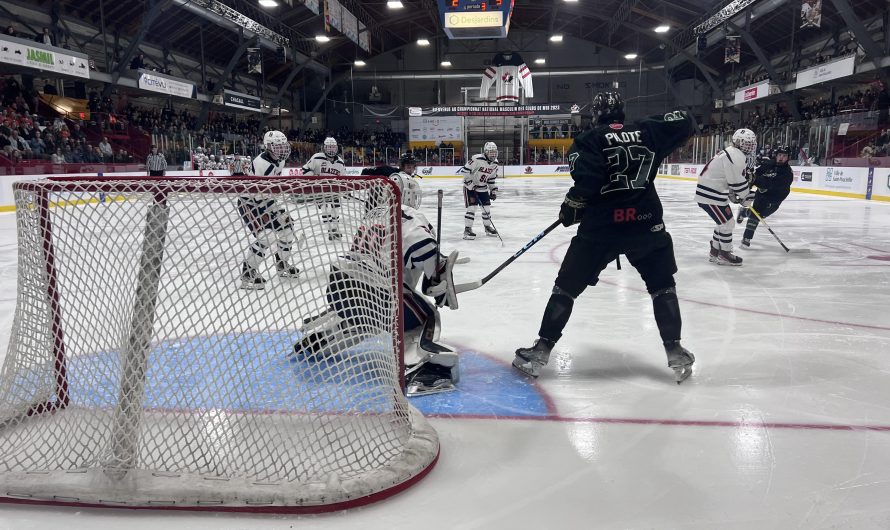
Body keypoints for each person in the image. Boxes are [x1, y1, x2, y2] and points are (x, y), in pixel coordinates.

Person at [513, 91, 697, 383]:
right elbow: (686, 120)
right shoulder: (648, 130)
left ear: (596, 113)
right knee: (662, 287)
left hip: (602, 227)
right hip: (646, 223)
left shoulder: (588, 140)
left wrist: (572, 206)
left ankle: (541, 351)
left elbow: (588, 181)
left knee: (565, 289)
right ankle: (675, 350)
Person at [294, 201, 462, 396]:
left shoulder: (377, 213)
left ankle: (322, 341)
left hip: (340, 281)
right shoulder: (412, 217)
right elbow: (422, 247)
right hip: (375, 289)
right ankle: (422, 370)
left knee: (371, 318)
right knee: (426, 318)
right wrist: (439, 279)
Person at [238, 130, 300, 289]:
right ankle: (248, 273)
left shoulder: (280, 161)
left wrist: (277, 210)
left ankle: (282, 264)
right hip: (250, 203)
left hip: (266, 200)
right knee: (266, 236)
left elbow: (270, 191)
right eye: (277, 146)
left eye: (282, 145)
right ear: (268, 146)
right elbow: (262, 192)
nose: (281, 149)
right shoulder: (261, 164)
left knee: (288, 229)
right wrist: (273, 212)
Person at [695, 128, 755, 266]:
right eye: (746, 143)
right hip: (710, 196)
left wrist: (733, 194)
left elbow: (729, 178)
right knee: (727, 224)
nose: (749, 146)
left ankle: (715, 251)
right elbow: (736, 181)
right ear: (737, 142)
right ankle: (725, 254)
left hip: (715, 194)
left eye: (751, 143)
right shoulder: (736, 155)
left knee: (723, 223)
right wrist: (746, 196)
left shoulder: (733, 152)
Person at [739, 146, 793, 248]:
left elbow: (769, 184)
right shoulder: (768, 164)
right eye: (780, 155)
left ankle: (744, 212)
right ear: (776, 156)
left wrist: (755, 179)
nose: (781, 158)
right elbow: (755, 175)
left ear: (788, 158)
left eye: (784, 156)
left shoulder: (787, 173)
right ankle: (746, 239)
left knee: (760, 216)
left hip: (774, 200)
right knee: (756, 216)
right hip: (762, 195)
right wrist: (748, 187)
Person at [301, 137, 346, 240]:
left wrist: (344, 188)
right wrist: (313, 178)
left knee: (336, 210)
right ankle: (330, 230)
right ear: (324, 148)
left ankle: (335, 228)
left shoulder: (340, 162)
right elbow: (305, 169)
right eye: (329, 147)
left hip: (333, 190)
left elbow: (343, 177)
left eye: (333, 147)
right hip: (319, 190)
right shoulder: (317, 158)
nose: (331, 150)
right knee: (325, 209)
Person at [459, 142, 500, 240]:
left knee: (486, 209)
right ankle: (467, 229)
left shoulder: (495, 164)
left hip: (483, 188)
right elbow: (464, 171)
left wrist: (493, 190)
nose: (493, 154)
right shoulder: (476, 159)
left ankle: (487, 227)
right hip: (470, 187)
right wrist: (470, 185)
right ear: (485, 152)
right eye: (491, 152)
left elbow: (491, 179)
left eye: (494, 152)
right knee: (472, 208)